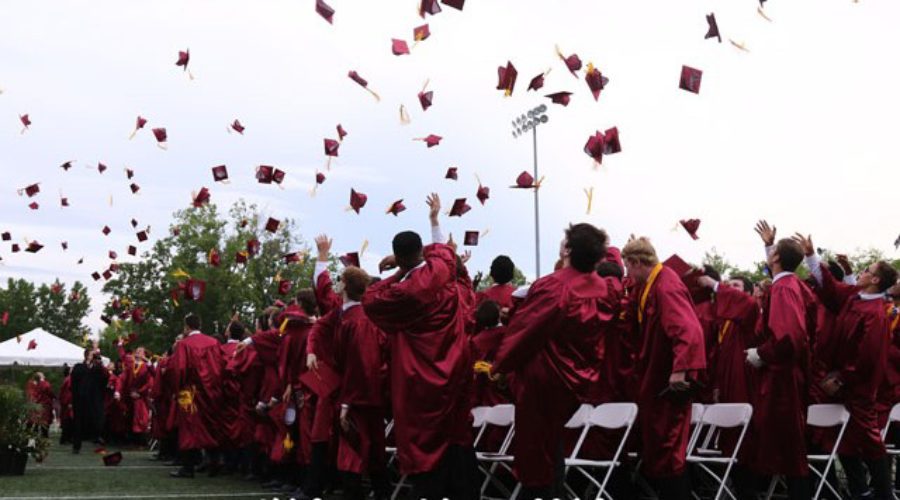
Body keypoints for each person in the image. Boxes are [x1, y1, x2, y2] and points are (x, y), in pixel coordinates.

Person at [362, 193, 477, 500]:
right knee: (455, 437)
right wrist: (434, 221)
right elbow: (445, 255)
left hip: (418, 381)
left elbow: (370, 297)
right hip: (454, 372)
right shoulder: (447, 280)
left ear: (398, 258)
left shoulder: (401, 294)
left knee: (423, 441)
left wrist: (399, 271)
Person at [795, 233, 898, 499]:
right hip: (837, 383)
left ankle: (885, 494)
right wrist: (810, 256)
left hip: (858, 388)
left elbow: (868, 356)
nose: (862, 272)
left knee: (869, 439)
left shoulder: (875, 313)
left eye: (867, 270)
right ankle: (859, 491)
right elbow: (830, 286)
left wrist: (841, 378)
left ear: (875, 280)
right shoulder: (855, 299)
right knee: (841, 440)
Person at [620, 236, 706, 500]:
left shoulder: (666, 285)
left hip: (670, 383)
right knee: (659, 449)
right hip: (655, 379)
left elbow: (687, 328)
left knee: (668, 449)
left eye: (628, 268)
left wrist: (681, 367)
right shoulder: (652, 284)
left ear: (636, 263)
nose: (627, 275)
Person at [743, 221, 817, 499]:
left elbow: (789, 337)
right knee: (787, 444)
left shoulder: (784, 288)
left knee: (788, 446)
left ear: (775, 259)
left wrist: (760, 354)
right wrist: (771, 246)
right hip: (786, 374)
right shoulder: (790, 283)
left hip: (782, 377)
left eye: (772, 254)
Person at [310, 257, 390, 500]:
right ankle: (380, 493)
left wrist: (347, 403)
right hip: (358, 392)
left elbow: (361, 365)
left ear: (345, 285)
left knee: (354, 452)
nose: (336, 283)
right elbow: (320, 320)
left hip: (360, 396)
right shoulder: (345, 314)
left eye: (339, 280)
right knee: (370, 450)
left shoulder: (359, 321)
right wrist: (311, 351)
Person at [167, 313, 225, 478]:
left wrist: (177, 390)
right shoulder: (213, 342)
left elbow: (179, 370)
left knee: (188, 428)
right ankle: (215, 462)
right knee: (210, 426)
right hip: (211, 390)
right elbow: (220, 366)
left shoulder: (184, 345)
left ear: (187, 327)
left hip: (189, 392)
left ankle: (188, 467)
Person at [70, 347, 108, 454]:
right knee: (78, 423)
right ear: (87, 355)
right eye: (92, 355)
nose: (94, 357)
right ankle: (76, 446)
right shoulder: (79, 367)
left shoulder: (98, 368)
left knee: (97, 420)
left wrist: (98, 362)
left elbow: (105, 377)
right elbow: (74, 382)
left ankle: (97, 437)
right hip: (80, 399)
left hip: (93, 399)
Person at [114, 339, 153, 443]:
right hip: (129, 394)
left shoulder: (147, 366)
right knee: (128, 415)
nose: (137, 352)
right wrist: (120, 345)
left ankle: (140, 439)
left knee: (140, 417)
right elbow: (123, 357)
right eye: (137, 351)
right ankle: (129, 438)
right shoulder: (130, 363)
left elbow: (150, 382)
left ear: (144, 354)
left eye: (140, 351)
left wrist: (139, 392)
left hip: (141, 396)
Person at [26, 372, 55, 438]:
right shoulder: (43, 383)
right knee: (41, 420)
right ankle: (42, 434)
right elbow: (49, 391)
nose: (44, 376)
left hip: (37, 403)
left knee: (37, 420)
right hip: (41, 404)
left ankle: (35, 433)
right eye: (43, 375)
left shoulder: (34, 383)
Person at [58, 365, 74, 445]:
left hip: (65, 403)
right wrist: (70, 402)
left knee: (67, 420)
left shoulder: (67, 379)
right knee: (68, 421)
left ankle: (66, 438)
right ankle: (66, 438)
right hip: (68, 403)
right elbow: (69, 393)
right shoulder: (70, 379)